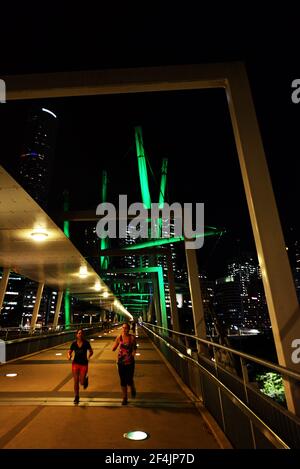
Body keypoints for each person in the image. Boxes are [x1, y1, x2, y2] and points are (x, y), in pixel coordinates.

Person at [112, 322, 137, 405]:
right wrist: (114, 345)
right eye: (123, 328)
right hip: (121, 362)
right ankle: (124, 397)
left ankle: (132, 386)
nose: (124, 329)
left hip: (130, 362)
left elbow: (134, 348)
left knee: (129, 379)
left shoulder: (132, 338)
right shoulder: (119, 337)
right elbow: (114, 347)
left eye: (126, 328)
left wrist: (133, 353)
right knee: (123, 380)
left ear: (129, 329)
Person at [67, 328, 93, 404]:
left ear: (83, 335)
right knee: (75, 381)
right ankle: (76, 397)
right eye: (78, 333)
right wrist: (69, 356)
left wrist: (89, 356)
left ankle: (85, 381)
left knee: (81, 382)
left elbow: (91, 351)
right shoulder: (74, 344)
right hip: (75, 364)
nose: (80, 334)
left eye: (81, 333)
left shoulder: (86, 343)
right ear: (76, 335)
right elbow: (69, 352)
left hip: (84, 364)